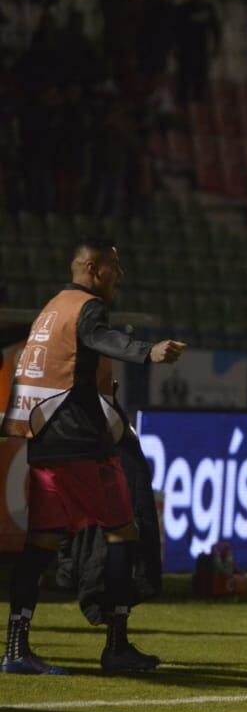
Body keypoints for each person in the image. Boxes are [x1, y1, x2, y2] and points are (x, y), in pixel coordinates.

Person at [2, 239, 185, 675]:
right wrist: (148, 352)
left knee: (42, 542)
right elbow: (100, 337)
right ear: (91, 267)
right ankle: (117, 645)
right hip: (80, 442)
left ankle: (15, 648)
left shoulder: (52, 307)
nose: (119, 276)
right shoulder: (86, 308)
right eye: (113, 268)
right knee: (124, 531)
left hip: (43, 441)